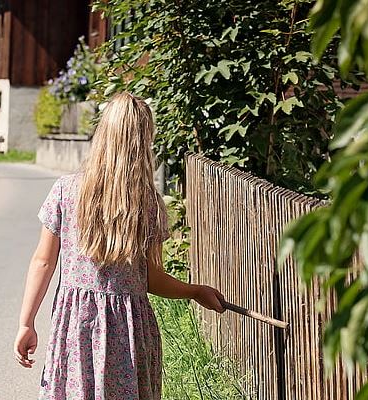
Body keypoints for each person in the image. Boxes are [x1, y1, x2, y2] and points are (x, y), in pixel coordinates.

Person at [13, 92, 226, 400]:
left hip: (77, 326)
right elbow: (152, 279)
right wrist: (194, 291)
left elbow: (43, 262)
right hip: (128, 332)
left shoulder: (66, 190)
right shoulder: (148, 204)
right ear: (144, 142)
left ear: (103, 135)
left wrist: (26, 323)